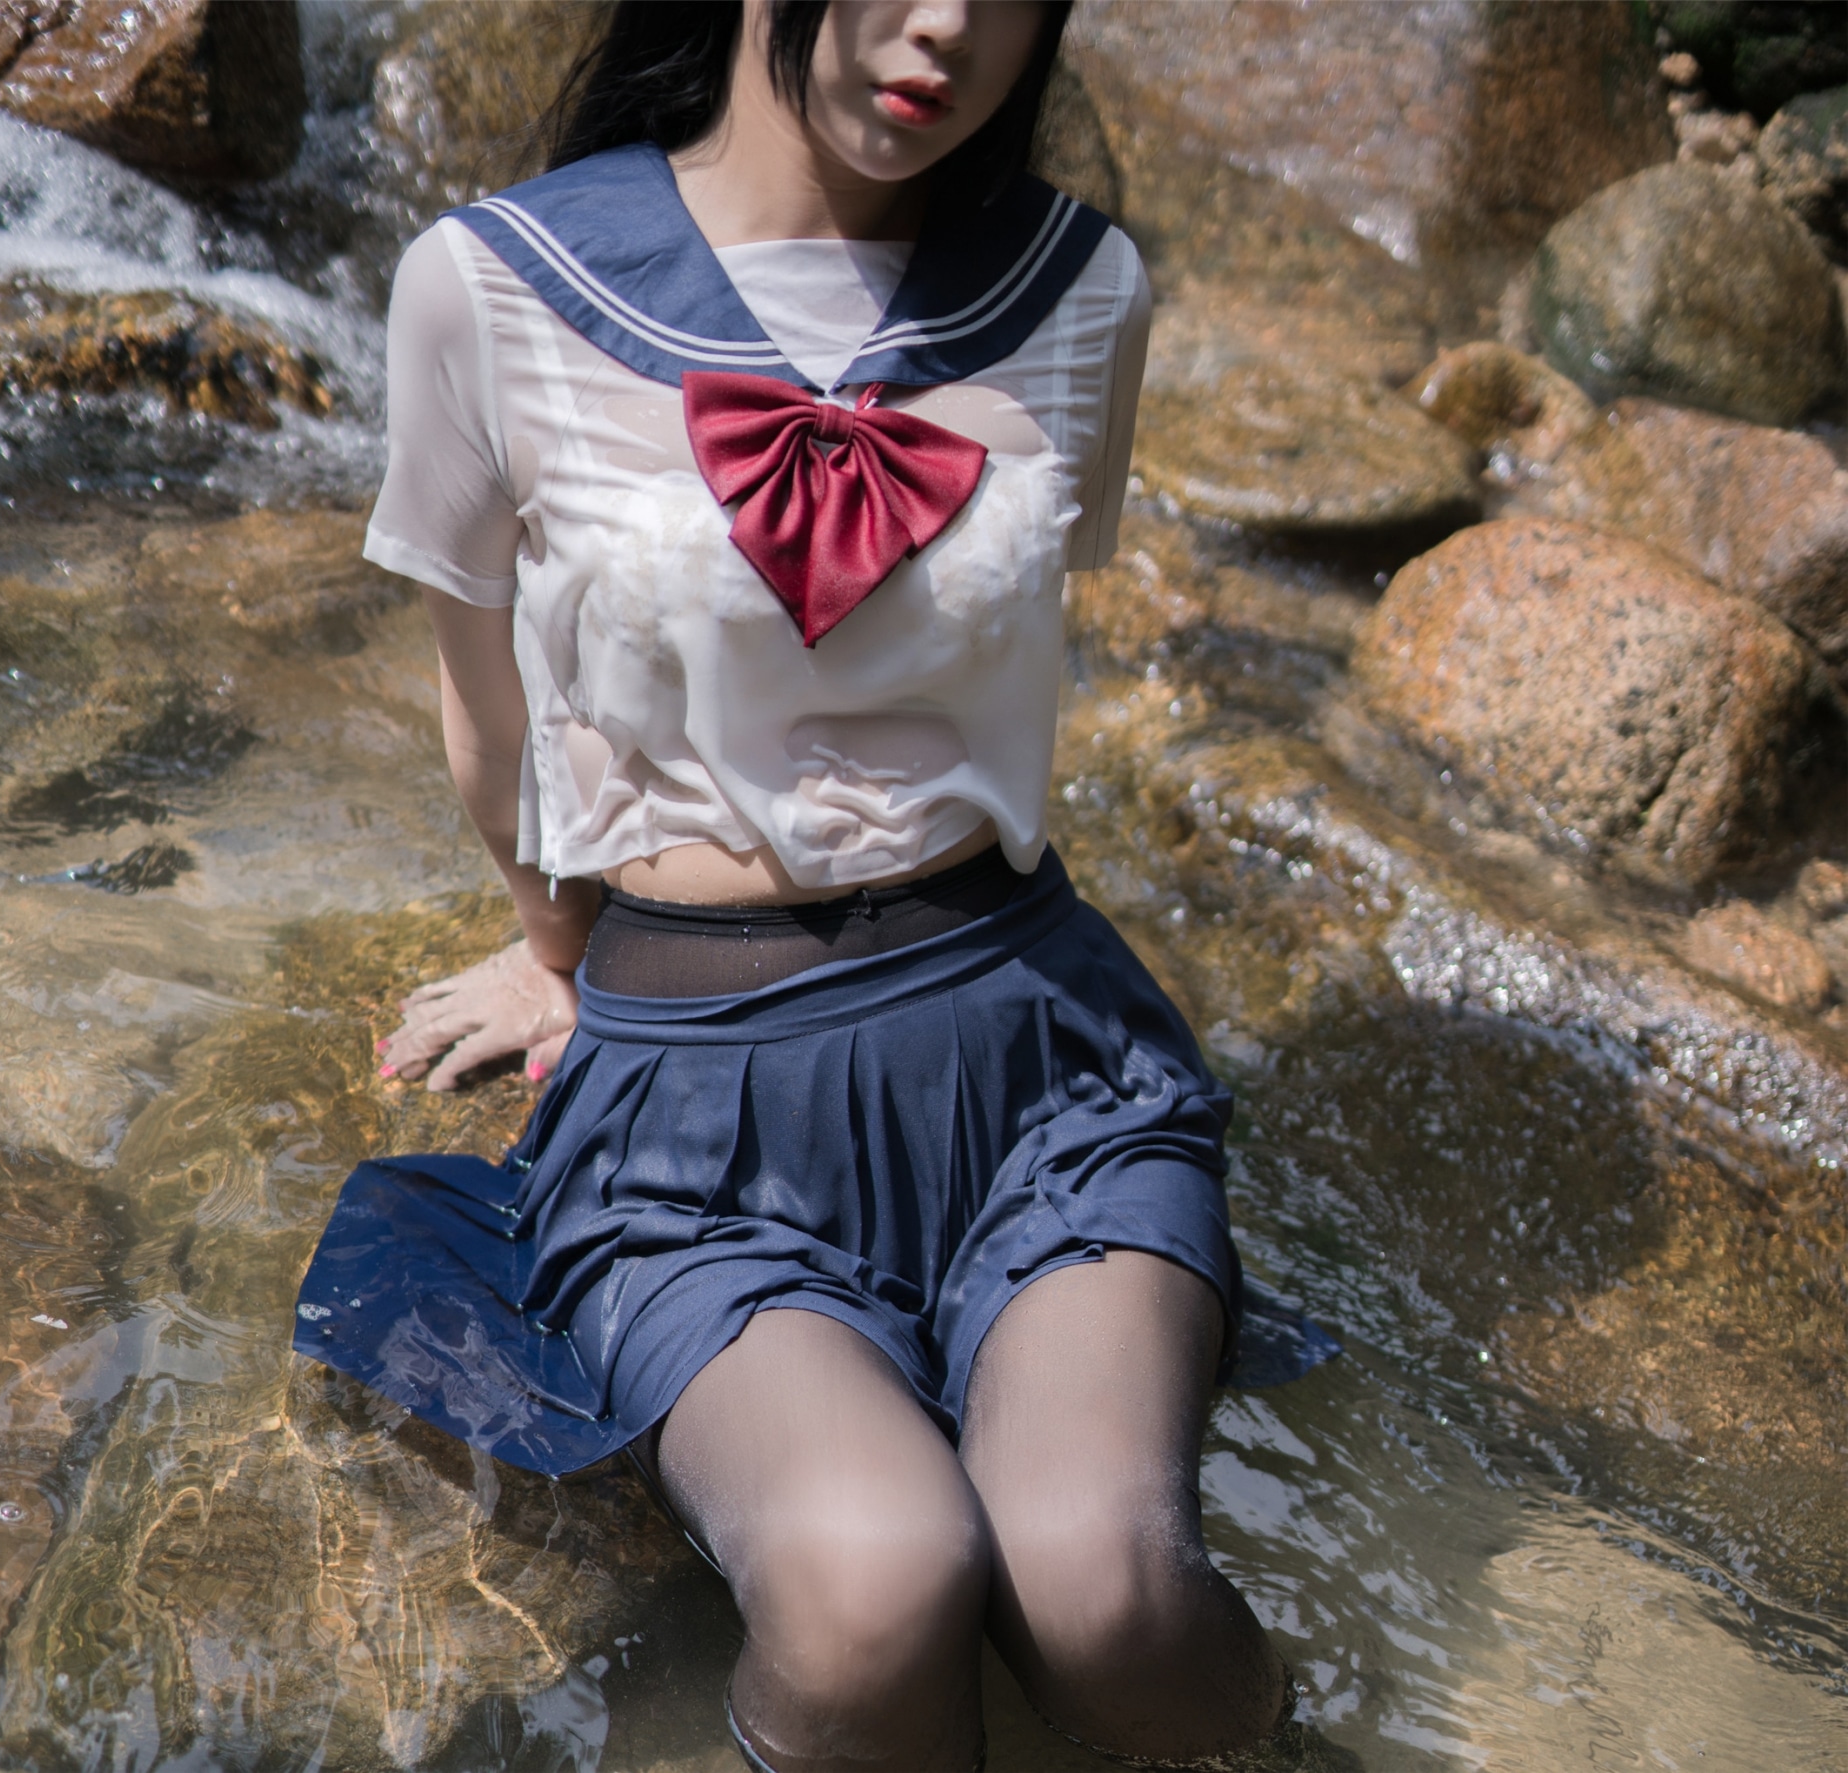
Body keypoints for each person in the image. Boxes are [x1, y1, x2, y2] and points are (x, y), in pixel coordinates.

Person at [295, 4, 1287, 1767]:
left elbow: (974, 653)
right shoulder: (491, 284)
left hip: (1034, 1056)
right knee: (873, 1587)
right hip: (695, 1113)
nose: (945, 25)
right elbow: (485, 706)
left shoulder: (1081, 285)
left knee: (1109, 1591)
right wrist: (555, 946)